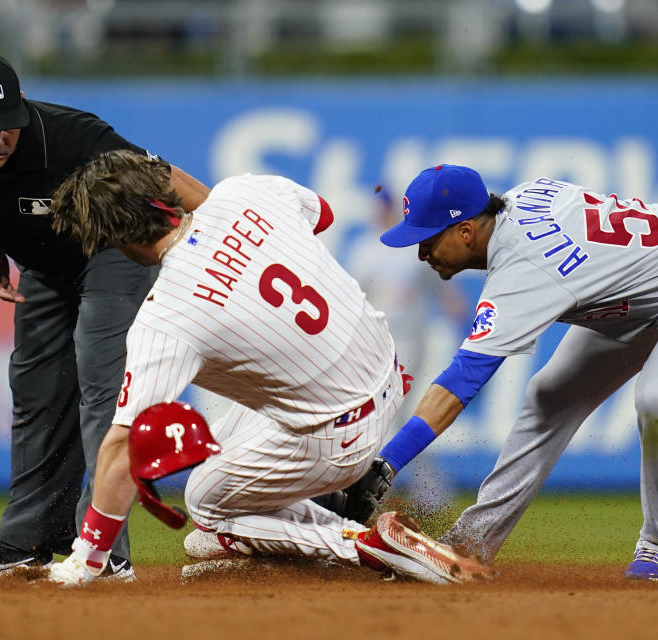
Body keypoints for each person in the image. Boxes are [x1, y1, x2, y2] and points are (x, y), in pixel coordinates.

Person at [43, 150, 492, 586]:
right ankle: (280, 541)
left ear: (117, 239)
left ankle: (362, 543)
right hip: (383, 371)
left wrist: (90, 555)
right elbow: (323, 216)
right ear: (165, 195)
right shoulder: (245, 191)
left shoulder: (166, 318)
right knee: (214, 526)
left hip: (338, 434)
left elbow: (122, 447)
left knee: (205, 503)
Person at [346, 164, 658, 583]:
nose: (421, 254)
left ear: (467, 232)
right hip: (636, 299)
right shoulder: (522, 197)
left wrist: (388, 463)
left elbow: (463, 380)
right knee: (548, 396)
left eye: (428, 239)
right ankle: (471, 542)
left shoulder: (522, 268)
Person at [0, 54, 210, 583]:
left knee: (102, 391)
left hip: (112, 254)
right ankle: (23, 542)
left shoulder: (73, 138)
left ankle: (103, 553)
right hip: (42, 267)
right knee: (35, 391)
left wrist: (236, 235)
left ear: (22, 103)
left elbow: (174, 183)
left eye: (6, 124)